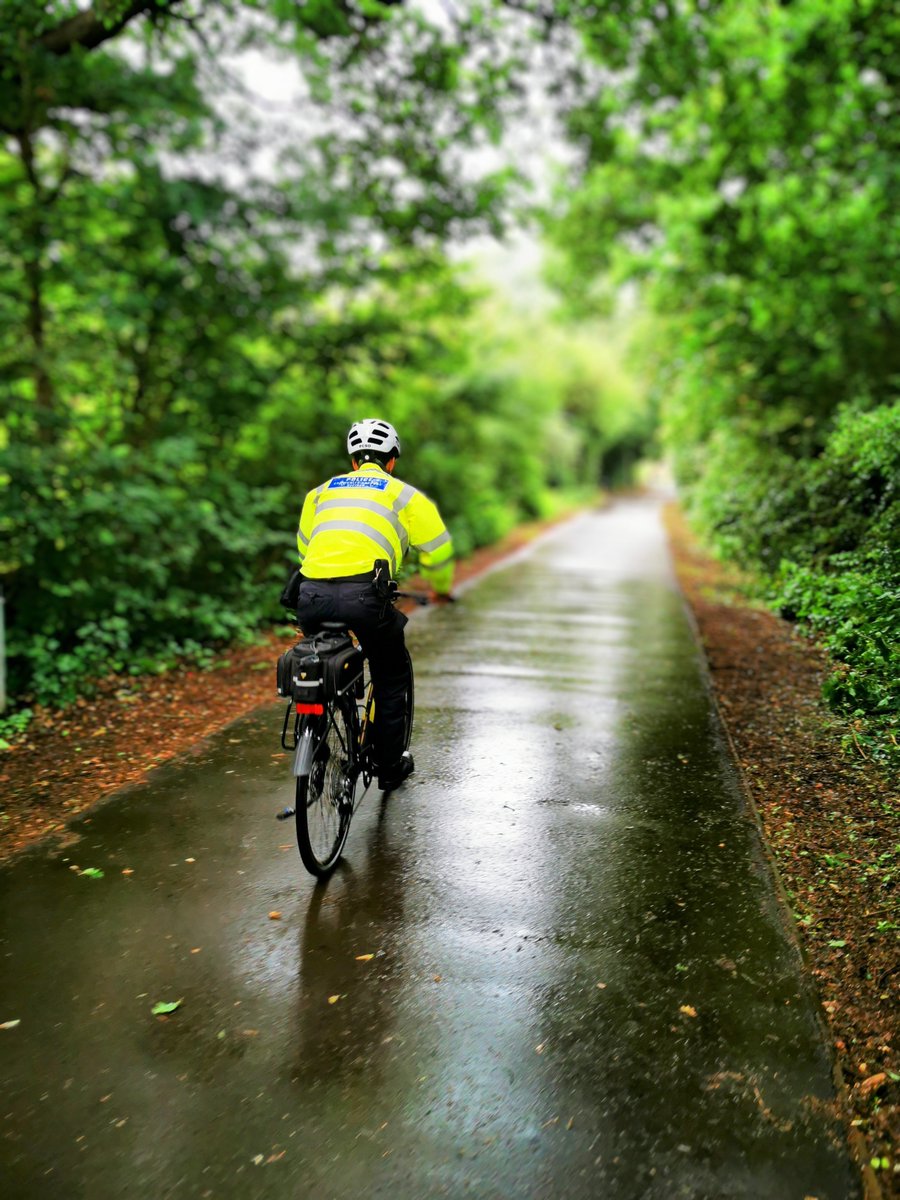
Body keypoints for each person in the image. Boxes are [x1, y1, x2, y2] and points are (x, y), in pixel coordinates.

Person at [294, 419, 454, 791]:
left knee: (317, 657)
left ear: (353, 461)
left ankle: (316, 739)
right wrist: (440, 588)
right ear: (392, 460)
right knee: (390, 671)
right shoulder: (403, 495)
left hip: (311, 594)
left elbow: (305, 547)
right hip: (366, 597)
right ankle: (387, 762)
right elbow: (439, 550)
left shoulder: (319, 493)